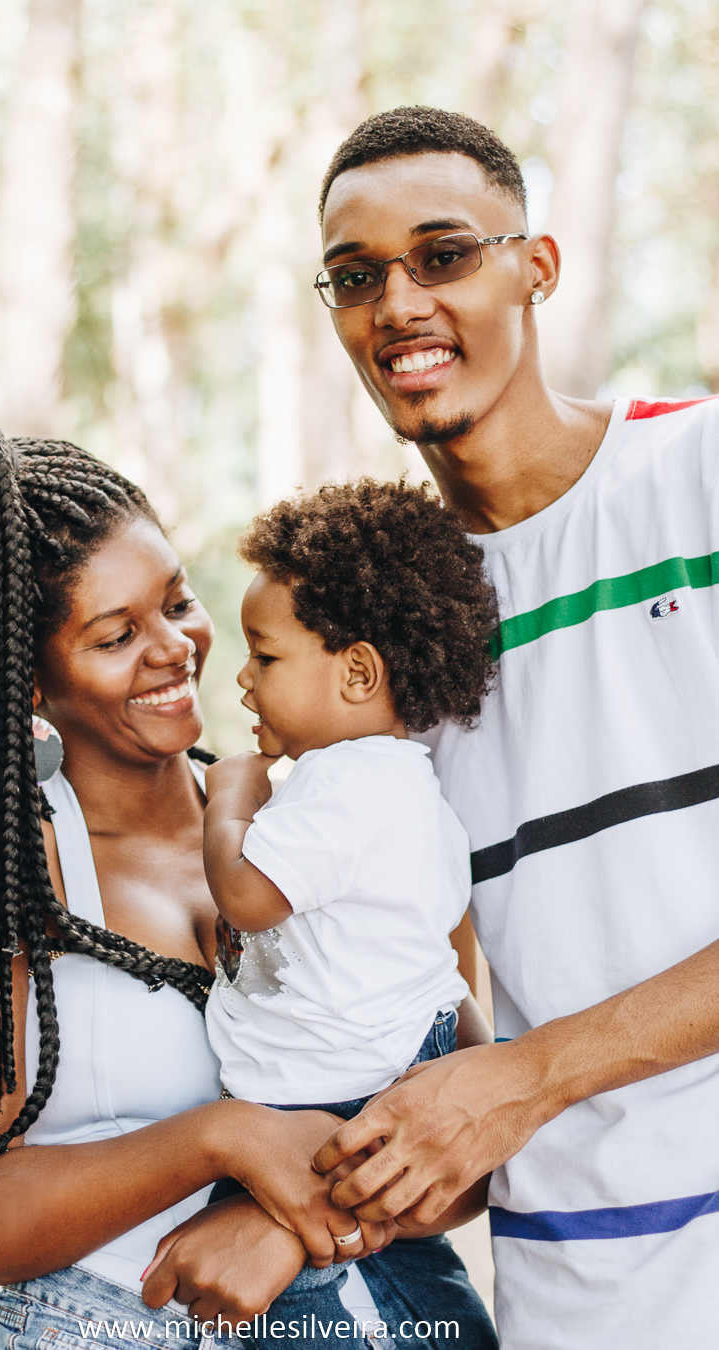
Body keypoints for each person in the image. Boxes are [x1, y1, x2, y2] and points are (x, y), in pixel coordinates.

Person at [0, 420, 404, 1346]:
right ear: (24, 680)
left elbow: (464, 1098)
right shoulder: (9, 872)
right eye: (114, 636)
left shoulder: (326, 814)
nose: (175, 648)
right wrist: (222, 1139)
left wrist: (280, 1223)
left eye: (176, 601)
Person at [303, 106, 719, 1348]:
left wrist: (524, 1081)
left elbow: (501, 1076)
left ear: (534, 267)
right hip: (584, 1297)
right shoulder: (384, 642)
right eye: (356, 277)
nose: (399, 305)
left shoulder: (697, 477)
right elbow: (418, 1005)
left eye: (444, 255)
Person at [202, 479, 500, 1350]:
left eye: (266, 656)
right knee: (401, 1286)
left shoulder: (346, 783)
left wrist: (230, 800)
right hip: (373, 1067)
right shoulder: (405, 788)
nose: (244, 678)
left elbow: (246, 895)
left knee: (327, 1311)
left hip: (341, 1094)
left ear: (359, 670)